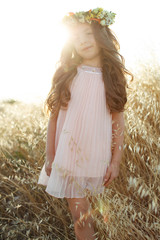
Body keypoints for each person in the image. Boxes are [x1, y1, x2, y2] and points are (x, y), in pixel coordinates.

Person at [37, 7, 133, 240]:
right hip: (68, 156)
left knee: (103, 214)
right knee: (82, 217)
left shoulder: (112, 75)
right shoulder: (68, 73)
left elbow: (118, 120)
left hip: (96, 155)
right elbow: (54, 117)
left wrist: (116, 161)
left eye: (88, 34)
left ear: (101, 36)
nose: (82, 41)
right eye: (76, 38)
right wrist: (50, 155)